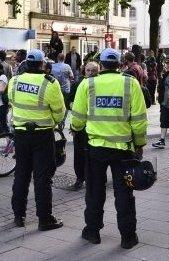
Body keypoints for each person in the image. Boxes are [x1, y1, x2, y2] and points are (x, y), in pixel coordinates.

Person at [71, 48, 148, 247]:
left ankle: (93, 232)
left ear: (101, 64)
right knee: (124, 194)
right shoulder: (131, 84)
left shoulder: (88, 84)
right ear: (120, 64)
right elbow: (139, 119)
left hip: (96, 148)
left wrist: (75, 128)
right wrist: (139, 143)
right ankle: (128, 238)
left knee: (95, 192)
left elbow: (78, 117)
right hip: (123, 149)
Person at [9, 49, 66, 230]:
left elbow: (11, 101)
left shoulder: (15, 80)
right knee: (42, 178)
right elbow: (59, 111)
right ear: (42, 64)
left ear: (26, 63)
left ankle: (19, 216)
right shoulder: (50, 83)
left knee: (21, 175)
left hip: (20, 134)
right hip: (42, 135)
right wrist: (55, 121)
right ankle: (44, 219)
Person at [69, 61, 100, 191]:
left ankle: (93, 179)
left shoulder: (101, 84)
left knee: (94, 155)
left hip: (96, 127)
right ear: (84, 71)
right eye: (88, 70)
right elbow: (69, 100)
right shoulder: (78, 84)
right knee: (79, 154)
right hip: (81, 126)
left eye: (94, 70)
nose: (91, 73)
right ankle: (79, 178)